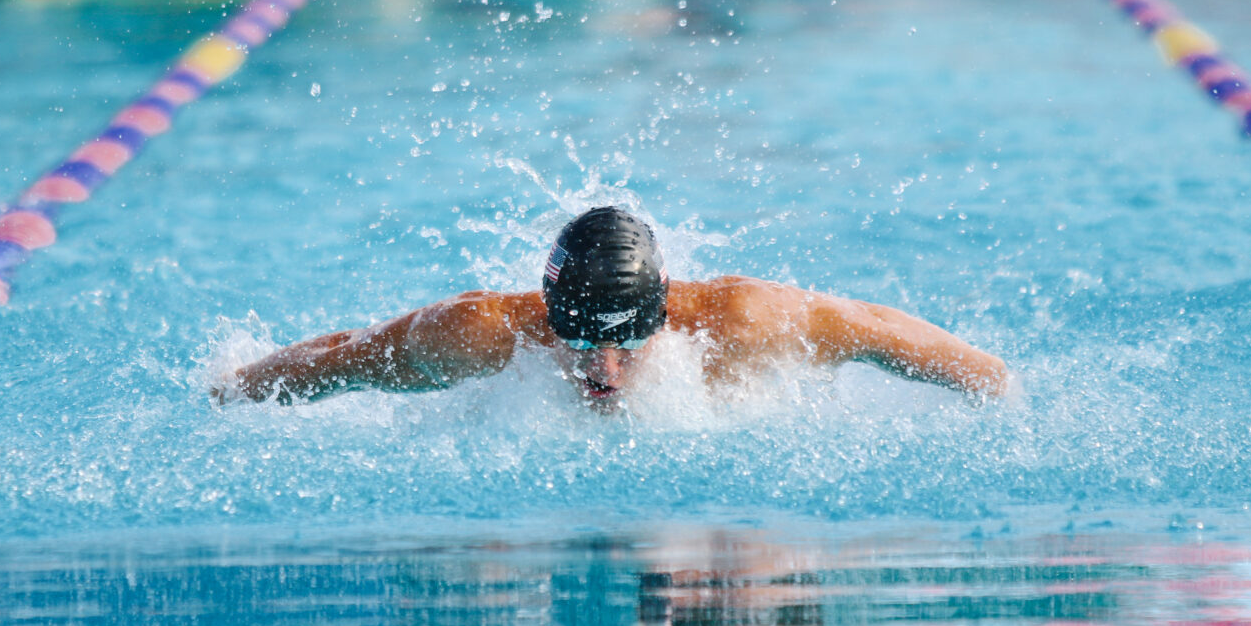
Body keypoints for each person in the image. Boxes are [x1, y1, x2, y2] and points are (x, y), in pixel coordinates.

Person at [213, 206, 1008, 410]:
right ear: (548, 316)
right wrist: (237, 385)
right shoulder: (475, 334)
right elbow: (344, 358)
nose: (603, 371)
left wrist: (991, 382)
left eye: (628, 345)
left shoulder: (740, 323)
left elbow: (878, 332)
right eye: (583, 344)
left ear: (663, 313)